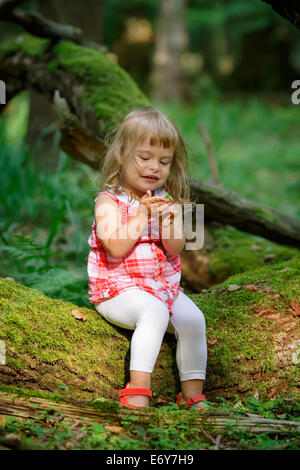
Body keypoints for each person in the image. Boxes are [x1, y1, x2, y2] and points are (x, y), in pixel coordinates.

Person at [87, 106, 207, 410]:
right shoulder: (108, 201)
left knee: (194, 319)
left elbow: (175, 248)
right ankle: (137, 390)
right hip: (117, 291)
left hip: (160, 288)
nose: (154, 167)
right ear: (122, 154)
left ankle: (193, 394)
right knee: (153, 312)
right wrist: (141, 213)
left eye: (164, 161)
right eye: (145, 157)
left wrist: (169, 221)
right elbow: (115, 246)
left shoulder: (165, 200)